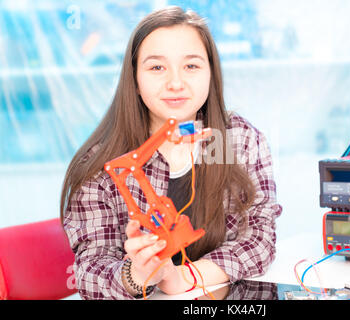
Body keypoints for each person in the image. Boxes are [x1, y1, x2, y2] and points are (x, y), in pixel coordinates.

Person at [60, 6, 282, 300]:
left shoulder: (237, 139)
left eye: (191, 66)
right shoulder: (103, 164)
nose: (176, 83)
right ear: (135, 80)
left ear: (210, 74)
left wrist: (182, 278)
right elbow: (90, 272)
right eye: (156, 67)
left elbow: (259, 238)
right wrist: (137, 274)